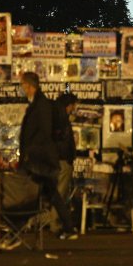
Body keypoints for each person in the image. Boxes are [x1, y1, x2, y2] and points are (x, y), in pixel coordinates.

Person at [19, 72, 77, 240]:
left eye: (23, 86)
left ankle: (14, 229)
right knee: (53, 195)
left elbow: (43, 132)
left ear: (29, 86)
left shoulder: (41, 105)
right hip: (40, 158)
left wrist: (32, 154)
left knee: (24, 193)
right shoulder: (40, 104)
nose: (22, 89)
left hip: (39, 160)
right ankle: (68, 227)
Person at [42, 93, 77, 233]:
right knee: (60, 192)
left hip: (55, 160)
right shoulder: (62, 119)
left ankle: (54, 221)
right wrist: (67, 156)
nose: (74, 108)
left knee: (56, 191)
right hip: (63, 159)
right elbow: (64, 141)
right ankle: (55, 222)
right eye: (74, 105)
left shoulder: (52, 116)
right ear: (69, 105)